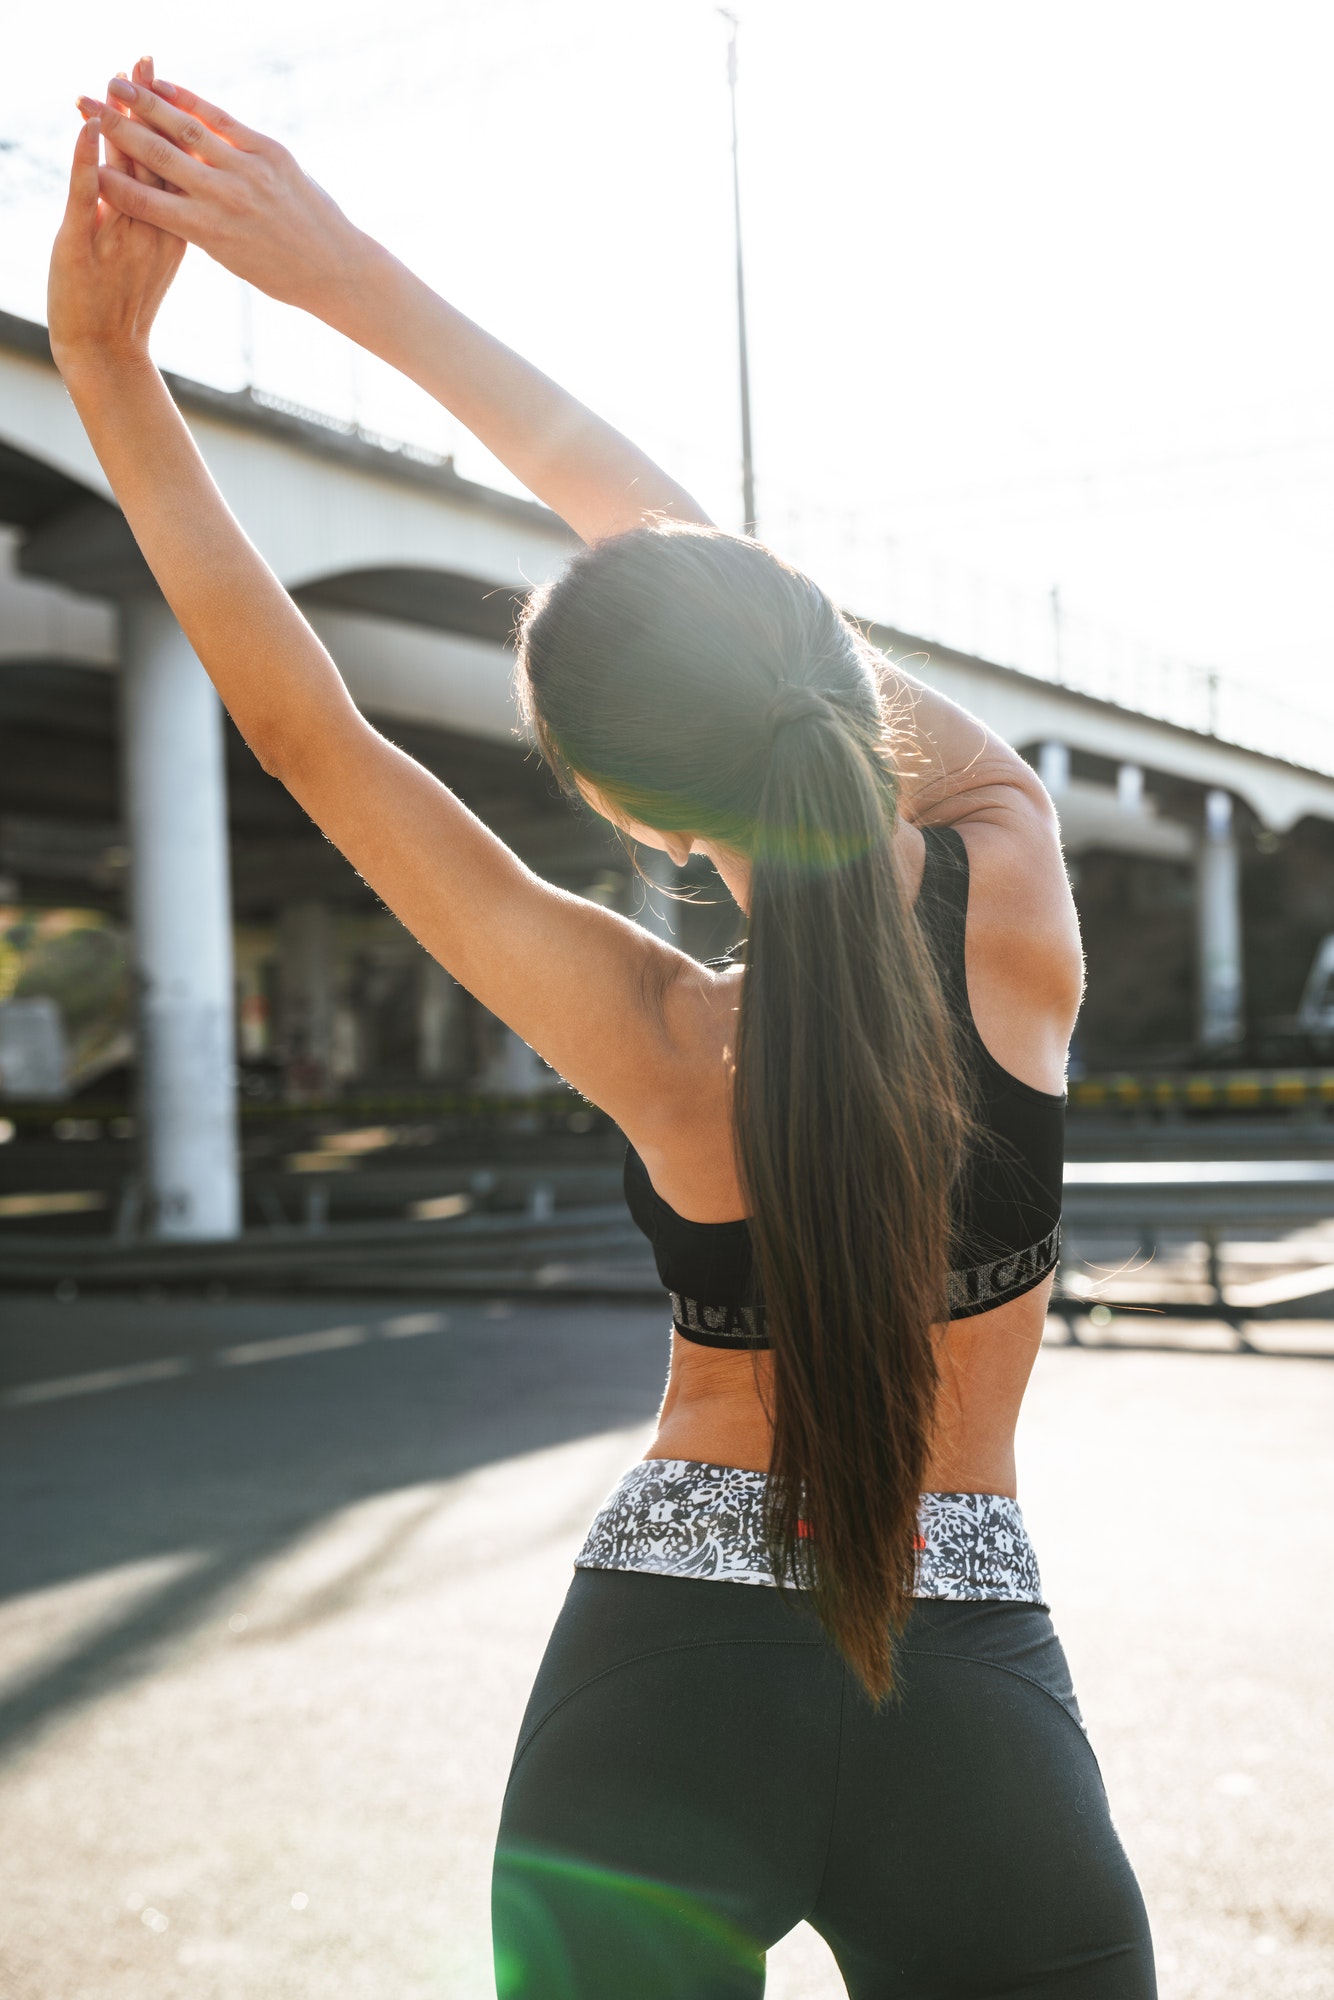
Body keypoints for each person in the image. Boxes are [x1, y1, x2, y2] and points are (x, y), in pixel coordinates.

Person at [49, 61, 1156, 1998]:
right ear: (817, 673)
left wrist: (113, 379)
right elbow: (729, 602)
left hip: (656, 1684)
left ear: (633, 814)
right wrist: (347, 277)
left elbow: (317, 738)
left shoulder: (652, 1033)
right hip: (961, 1667)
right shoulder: (1010, 892)